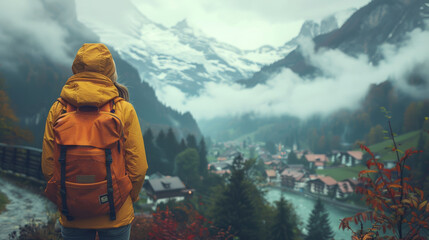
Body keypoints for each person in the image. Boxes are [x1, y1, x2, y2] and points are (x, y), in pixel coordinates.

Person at [42, 43, 148, 240]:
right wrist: (125, 197)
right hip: (115, 213)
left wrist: (64, 197)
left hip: (72, 211)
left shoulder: (58, 109)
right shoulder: (123, 109)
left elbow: (49, 164)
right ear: (111, 71)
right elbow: (138, 167)